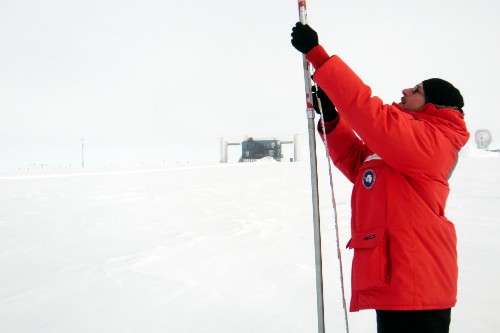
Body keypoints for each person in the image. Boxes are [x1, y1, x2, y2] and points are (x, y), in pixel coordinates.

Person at [291, 22, 470, 333]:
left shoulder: (433, 141)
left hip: (418, 283)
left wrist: (318, 57)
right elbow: (359, 164)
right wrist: (333, 120)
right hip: (399, 278)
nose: (405, 90)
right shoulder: (405, 143)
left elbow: (370, 115)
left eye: (416, 90)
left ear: (434, 105)